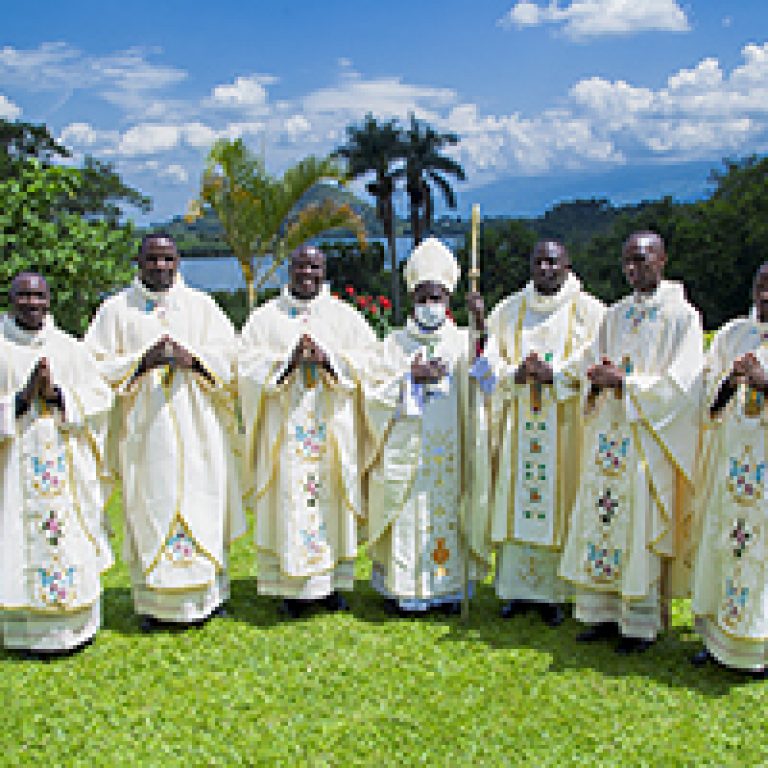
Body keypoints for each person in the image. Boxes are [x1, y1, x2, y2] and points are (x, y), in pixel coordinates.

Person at [85, 233, 245, 631]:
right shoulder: (116, 310)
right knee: (149, 507)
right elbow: (91, 369)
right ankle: (154, 605)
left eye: (168, 258)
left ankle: (208, 598)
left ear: (178, 261)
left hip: (198, 430)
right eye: (152, 259)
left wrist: (195, 360)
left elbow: (232, 359)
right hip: (146, 434)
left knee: (203, 503)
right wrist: (141, 362)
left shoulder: (201, 306)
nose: (160, 266)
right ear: (138, 262)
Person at [559, 231, 703, 652]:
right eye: (627, 261)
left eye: (641, 259)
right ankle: (601, 613)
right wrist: (591, 377)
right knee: (600, 521)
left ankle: (638, 623)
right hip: (609, 438)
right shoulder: (616, 314)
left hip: (647, 441)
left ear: (662, 260)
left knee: (638, 528)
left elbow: (684, 384)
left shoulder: (683, 317)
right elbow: (591, 361)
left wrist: (626, 383)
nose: (632, 269)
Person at [237, 244, 375, 617]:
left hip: (331, 432)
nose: (307, 273)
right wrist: (287, 362)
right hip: (285, 434)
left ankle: (331, 586)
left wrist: (330, 361)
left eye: (314, 267)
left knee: (330, 501)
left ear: (324, 270)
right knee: (290, 501)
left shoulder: (344, 317)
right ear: (290, 270)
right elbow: (245, 366)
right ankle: (291, 587)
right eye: (300, 266)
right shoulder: (266, 318)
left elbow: (370, 362)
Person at [363, 237, 490, 614]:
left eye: (437, 297)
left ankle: (447, 589)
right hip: (407, 454)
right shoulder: (394, 344)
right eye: (423, 297)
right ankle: (404, 591)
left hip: (449, 452)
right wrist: (410, 378)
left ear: (448, 300)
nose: (430, 305)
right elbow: (373, 395)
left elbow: (487, 380)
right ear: (412, 298)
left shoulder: (462, 341)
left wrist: (481, 327)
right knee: (406, 516)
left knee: (447, 513)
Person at [481, 241, 605, 626]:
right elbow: (489, 359)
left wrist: (557, 374)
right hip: (520, 424)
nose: (546, 268)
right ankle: (516, 590)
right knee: (517, 499)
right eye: (539, 261)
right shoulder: (509, 309)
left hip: (564, 426)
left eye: (554, 261)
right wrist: (514, 373)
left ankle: (556, 594)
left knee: (560, 499)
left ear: (568, 265)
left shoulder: (590, 311)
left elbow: (596, 356)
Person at [0, 272, 113, 655]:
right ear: (11, 299)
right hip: (12, 469)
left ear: (49, 300)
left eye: (39, 296)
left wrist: (58, 395)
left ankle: (72, 629)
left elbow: (100, 398)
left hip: (67, 468)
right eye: (24, 296)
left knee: (70, 536)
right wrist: (20, 400)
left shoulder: (70, 349)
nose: (32, 303)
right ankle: (23, 632)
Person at [691, 263, 768, 675]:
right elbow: (705, 396)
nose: (765, 296)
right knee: (725, 545)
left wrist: (763, 380)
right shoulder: (732, 334)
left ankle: (758, 646)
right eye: (760, 287)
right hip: (731, 465)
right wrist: (731, 380)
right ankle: (718, 639)